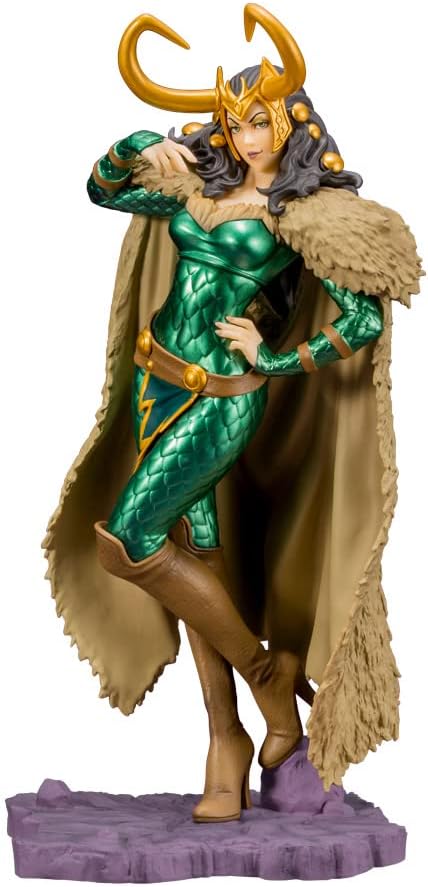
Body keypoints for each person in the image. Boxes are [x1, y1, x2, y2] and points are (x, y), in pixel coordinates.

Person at [43, 4, 422, 824]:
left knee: (126, 541)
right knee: (195, 562)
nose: (245, 137)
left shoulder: (306, 214)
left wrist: (274, 358)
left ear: (289, 122)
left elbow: (362, 318)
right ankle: (227, 738)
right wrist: (140, 146)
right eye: (234, 121)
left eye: (259, 121)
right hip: (156, 386)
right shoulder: (199, 187)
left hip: (221, 401)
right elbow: (102, 190)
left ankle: (267, 680)